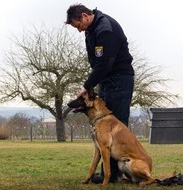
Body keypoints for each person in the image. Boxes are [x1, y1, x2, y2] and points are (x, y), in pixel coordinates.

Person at [65, 4, 134, 183]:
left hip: (119, 80)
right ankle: (112, 173)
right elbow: (96, 62)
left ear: (86, 16)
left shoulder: (106, 29)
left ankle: (111, 175)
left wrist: (87, 86)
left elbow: (105, 63)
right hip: (107, 80)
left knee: (114, 128)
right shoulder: (92, 30)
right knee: (105, 130)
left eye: (78, 25)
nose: (79, 30)